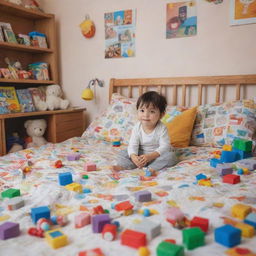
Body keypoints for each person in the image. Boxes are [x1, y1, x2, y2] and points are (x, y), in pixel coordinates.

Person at [112, 91, 178, 172]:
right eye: (142, 110)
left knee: (171, 156)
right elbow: (133, 145)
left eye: (152, 111)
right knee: (123, 153)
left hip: (156, 155)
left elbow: (164, 146)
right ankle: (124, 166)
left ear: (161, 115)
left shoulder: (162, 128)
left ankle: (151, 168)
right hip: (140, 153)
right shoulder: (137, 127)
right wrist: (134, 157)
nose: (146, 115)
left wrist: (150, 156)